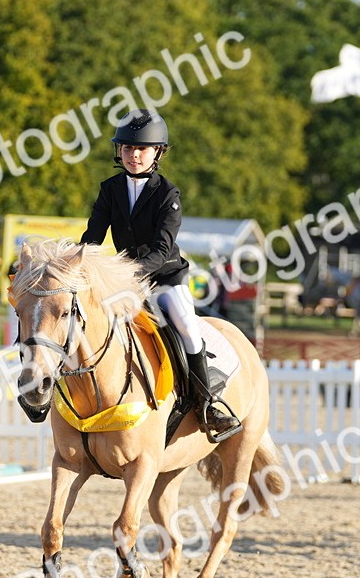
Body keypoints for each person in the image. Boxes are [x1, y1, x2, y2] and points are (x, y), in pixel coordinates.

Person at [79, 109, 241, 441]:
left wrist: (126, 272)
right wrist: (75, 262)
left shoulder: (168, 194)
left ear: (158, 152)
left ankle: (207, 404)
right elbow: (92, 237)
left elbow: (162, 248)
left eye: (141, 149)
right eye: (127, 148)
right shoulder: (109, 190)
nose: (133, 155)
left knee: (186, 325)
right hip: (122, 279)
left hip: (164, 278)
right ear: (119, 152)